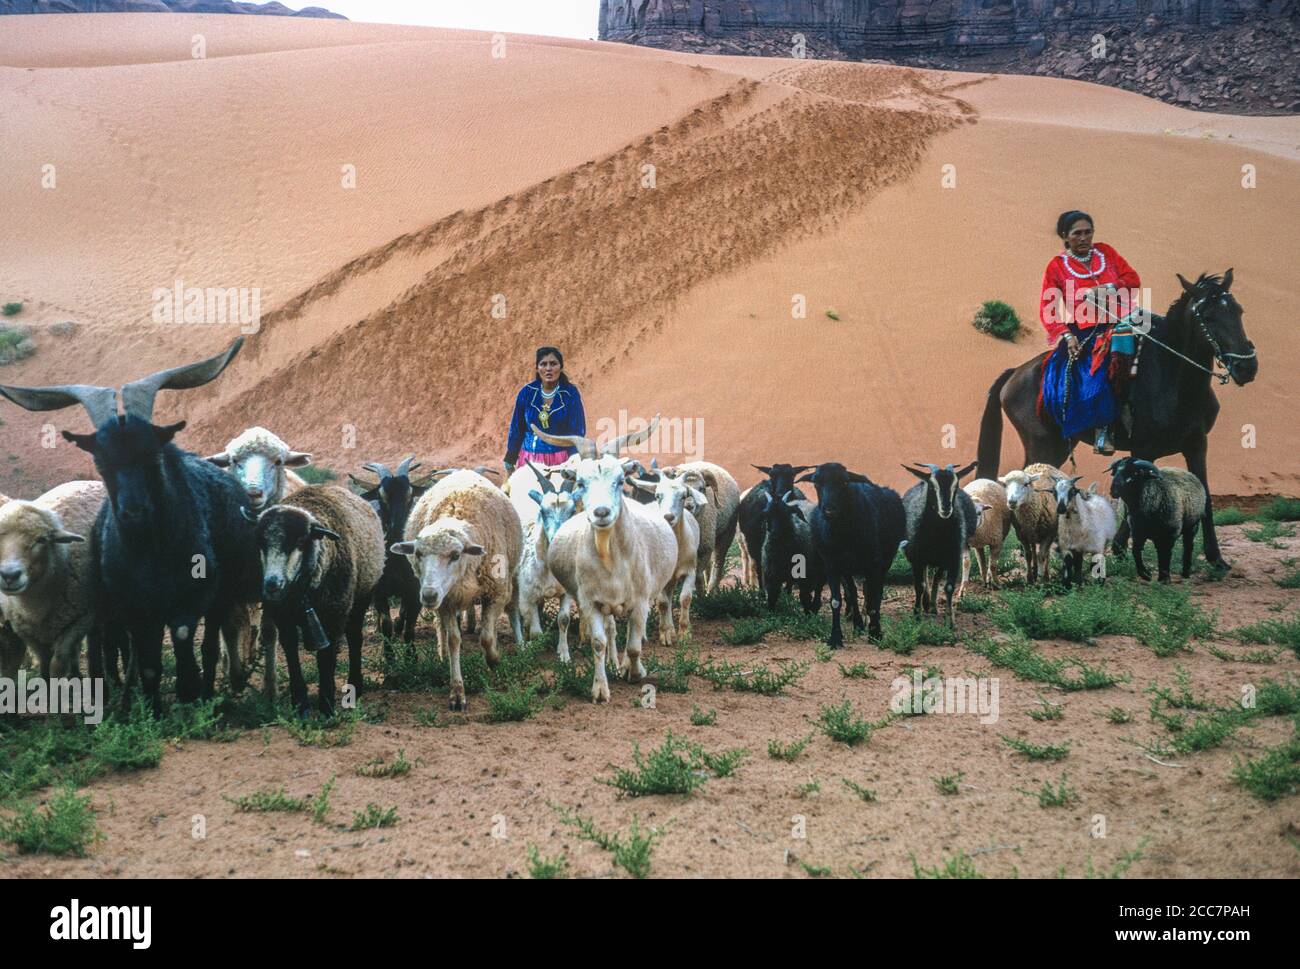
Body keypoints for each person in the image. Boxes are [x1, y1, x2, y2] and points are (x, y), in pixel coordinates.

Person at [1039, 209, 1142, 454]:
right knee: (1099, 370)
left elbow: (1133, 279)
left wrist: (1109, 286)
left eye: (1088, 232)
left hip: (1125, 319)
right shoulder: (1057, 266)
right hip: (1087, 330)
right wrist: (1065, 334)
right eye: (1077, 234)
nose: (1084, 238)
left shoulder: (1106, 252)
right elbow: (1048, 305)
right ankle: (1103, 427)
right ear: (1065, 236)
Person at [504, 346, 587, 475]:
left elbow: (577, 432)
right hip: (529, 461)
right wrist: (510, 458)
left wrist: (574, 460)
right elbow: (517, 428)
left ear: (561, 367)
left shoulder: (570, 394)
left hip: (561, 462)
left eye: (553, 364)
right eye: (543, 364)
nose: (548, 368)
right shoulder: (527, 392)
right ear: (537, 368)